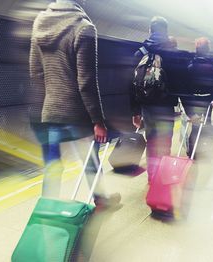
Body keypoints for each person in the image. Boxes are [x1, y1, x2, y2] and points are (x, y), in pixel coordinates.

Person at [30, 0, 120, 206]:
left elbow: (35, 71)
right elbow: (86, 81)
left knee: (52, 166)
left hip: (50, 110)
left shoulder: (40, 23)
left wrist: (52, 98)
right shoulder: (84, 28)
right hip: (77, 113)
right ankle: (102, 201)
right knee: (90, 159)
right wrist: (98, 120)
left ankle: (47, 210)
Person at [131, 16, 178, 183]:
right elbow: (180, 84)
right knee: (165, 141)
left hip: (147, 106)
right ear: (166, 31)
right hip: (166, 106)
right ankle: (163, 177)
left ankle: (152, 177)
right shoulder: (173, 54)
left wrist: (135, 111)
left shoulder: (141, 52)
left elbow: (132, 83)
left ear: (149, 30)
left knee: (151, 141)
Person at [181, 37, 213, 157]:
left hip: (194, 100)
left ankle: (192, 152)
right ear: (208, 48)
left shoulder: (190, 65)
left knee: (195, 125)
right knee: (207, 124)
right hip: (208, 100)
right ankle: (206, 148)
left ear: (197, 47)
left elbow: (186, 85)